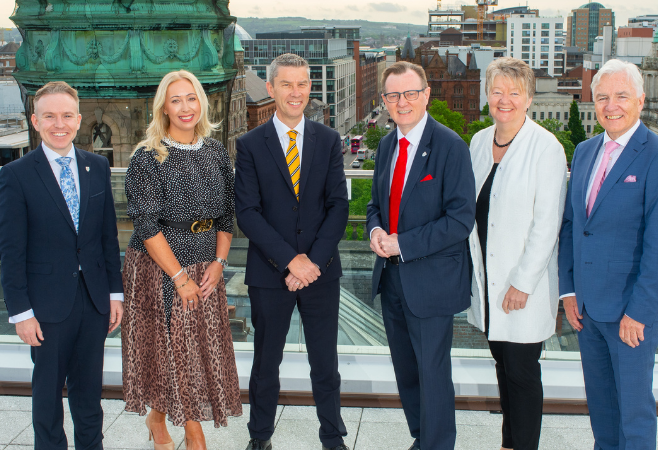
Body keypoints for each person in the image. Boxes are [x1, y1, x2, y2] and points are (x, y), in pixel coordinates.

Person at [558, 59, 658, 450]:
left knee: (634, 414)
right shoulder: (583, 151)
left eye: (621, 96)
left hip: (631, 311)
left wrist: (640, 311)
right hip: (588, 310)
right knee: (602, 410)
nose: (611, 106)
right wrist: (568, 291)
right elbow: (571, 225)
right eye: (602, 97)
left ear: (641, 100)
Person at [0, 81, 124, 450]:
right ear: (35, 121)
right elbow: (10, 250)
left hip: (94, 302)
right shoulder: (17, 175)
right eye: (49, 116)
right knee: (48, 397)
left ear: (79, 119)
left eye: (67, 115)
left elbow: (106, 238)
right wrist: (21, 312)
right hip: (46, 307)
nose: (59, 124)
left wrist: (115, 294)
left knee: (89, 396)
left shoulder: (97, 166)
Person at [234, 53, 350, 450]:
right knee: (266, 363)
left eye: (302, 84)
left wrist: (312, 262)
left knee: (325, 364)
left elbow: (338, 205)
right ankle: (259, 437)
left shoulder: (329, 140)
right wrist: (291, 260)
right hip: (270, 274)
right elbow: (247, 213)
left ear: (309, 88)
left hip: (320, 273)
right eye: (287, 84)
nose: (295, 92)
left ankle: (332, 437)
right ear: (271, 88)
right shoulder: (249, 144)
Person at [121, 70, 242, 450]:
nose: (185, 107)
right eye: (176, 100)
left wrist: (219, 264)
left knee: (189, 350)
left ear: (202, 102)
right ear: (164, 108)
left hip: (205, 265)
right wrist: (177, 276)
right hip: (161, 268)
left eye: (191, 98)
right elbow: (145, 225)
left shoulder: (215, 151)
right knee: (177, 349)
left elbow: (226, 216)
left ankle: (158, 421)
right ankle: (195, 436)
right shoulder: (148, 157)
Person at [366, 61, 476, 450]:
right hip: (392, 279)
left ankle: (438, 443)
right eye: (394, 95)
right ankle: (421, 437)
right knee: (407, 371)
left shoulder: (450, 147)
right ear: (385, 100)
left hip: (431, 282)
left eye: (411, 93)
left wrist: (404, 244)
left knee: (432, 372)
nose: (403, 101)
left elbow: (461, 220)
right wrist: (376, 231)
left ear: (427, 94)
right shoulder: (386, 145)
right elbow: (376, 206)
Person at [466, 57, 567, 450]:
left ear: (528, 98)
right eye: (497, 91)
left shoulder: (546, 148)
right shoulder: (478, 142)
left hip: (522, 287)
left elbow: (547, 224)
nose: (504, 99)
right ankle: (509, 444)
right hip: (488, 285)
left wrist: (522, 283)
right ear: (486, 96)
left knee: (523, 374)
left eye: (514, 92)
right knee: (503, 368)